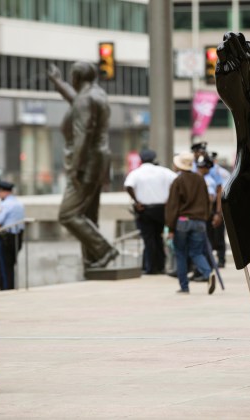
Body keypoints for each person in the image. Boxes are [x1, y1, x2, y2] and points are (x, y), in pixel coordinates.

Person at [47, 62, 119, 269]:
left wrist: (76, 167)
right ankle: (94, 258)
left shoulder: (85, 99)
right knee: (88, 214)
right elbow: (76, 100)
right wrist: (57, 82)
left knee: (68, 214)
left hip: (86, 162)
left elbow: (83, 134)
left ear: (77, 77)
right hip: (99, 160)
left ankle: (104, 250)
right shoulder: (97, 94)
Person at [165, 152, 216, 294]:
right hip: (199, 221)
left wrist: (170, 227)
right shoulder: (200, 180)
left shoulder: (178, 181)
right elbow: (207, 201)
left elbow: (172, 206)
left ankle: (184, 286)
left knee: (180, 253)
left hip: (182, 221)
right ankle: (208, 273)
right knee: (196, 252)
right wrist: (204, 218)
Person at [124, 149, 177, 275]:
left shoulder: (136, 173)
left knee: (148, 239)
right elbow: (176, 182)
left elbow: (128, 186)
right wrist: (170, 199)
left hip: (145, 210)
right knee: (158, 237)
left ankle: (150, 267)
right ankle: (160, 266)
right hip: (161, 209)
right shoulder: (164, 171)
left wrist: (136, 201)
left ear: (141, 159)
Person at [0, 180, 25, 290]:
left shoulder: (4, 205)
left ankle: (5, 289)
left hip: (5, 238)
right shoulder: (18, 204)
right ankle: (10, 287)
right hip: (17, 237)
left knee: (3, 266)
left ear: (2, 191)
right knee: (10, 265)